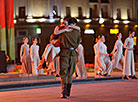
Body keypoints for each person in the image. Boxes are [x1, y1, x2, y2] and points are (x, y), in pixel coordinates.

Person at [58, 18, 81, 98]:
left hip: (64, 53)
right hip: (73, 53)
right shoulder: (77, 32)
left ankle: (63, 92)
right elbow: (78, 42)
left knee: (63, 73)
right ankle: (68, 92)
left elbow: (58, 40)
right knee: (70, 74)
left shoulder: (63, 31)